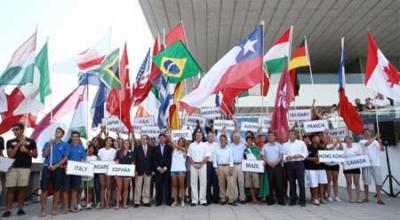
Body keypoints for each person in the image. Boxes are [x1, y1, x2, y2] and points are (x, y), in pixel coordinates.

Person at [3, 123, 37, 217]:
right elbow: (10, 155)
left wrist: (27, 151)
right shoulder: (10, 142)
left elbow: (35, 155)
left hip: (25, 168)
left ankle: (20, 209)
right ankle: (8, 210)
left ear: (22, 130)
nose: (14, 131)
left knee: (22, 188)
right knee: (10, 189)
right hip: (12, 168)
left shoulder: (31, 141)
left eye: (16, 129)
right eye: (13, 130)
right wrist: (18, 145)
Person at [39, 127, 68, 217]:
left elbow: (65, 158)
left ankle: (54, 209)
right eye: (56, 131)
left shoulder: (65, 145)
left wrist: (56, 166)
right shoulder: (47, 143)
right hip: (47, 167)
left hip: (58, 168)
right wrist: (49, 145)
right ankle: (43, 210)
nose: (57, 133)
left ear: (62, 135)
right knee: (44, 189)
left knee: (57, 189)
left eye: (59, 132)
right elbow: (44, 155)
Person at [283, 130, 308, 207]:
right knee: (292, 182)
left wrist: (300, 155)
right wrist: (287, 157)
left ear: (296, 135)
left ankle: (302, 200)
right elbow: (283, 155)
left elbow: (305, 153)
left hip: (299, 164)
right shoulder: (285, 144)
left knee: (301, 182)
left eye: (292, 134)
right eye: (290, 134)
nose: (291, 136)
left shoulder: (301, 143)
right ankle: (293, 199)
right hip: (290, 164)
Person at [359, 128, 385, 204]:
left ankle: (379, 199)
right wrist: (375, 137)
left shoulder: (376, 142)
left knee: (378, 181)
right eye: (365, 132)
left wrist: (380, 143)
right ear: (363, 134)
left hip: (376, 163)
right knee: (366, 181)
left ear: (370, 133)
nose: (367, 133)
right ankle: (366, 197)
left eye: (368, 132)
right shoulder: (362, 141)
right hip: (366, 164)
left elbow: (382, 149)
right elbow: (367, 144)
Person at [63, 131, 86, 213]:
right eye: (73, 136)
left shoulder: (82, 148)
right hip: (68, 170)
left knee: (75, 190)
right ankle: (66, 207)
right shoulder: (68, 146)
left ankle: (72, 207)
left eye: (76, 136)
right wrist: (65, 166)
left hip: (77, 171)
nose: (75, 138)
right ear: (71, 138)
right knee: (66, 189)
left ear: (78, 138)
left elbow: (83, 159)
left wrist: (82, 165)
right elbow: (65, 157)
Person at [187, 131, 210, 206]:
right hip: (193, 165)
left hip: (203, 165)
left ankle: (203, 200)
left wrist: (201, 164)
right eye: (197, 136)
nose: (198, 137)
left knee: (203, 182)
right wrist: (193, 164)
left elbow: (207, 157)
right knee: (193, 182)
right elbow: (189, 156)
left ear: (202, 137)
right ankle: (194, 200)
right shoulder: (191, 145)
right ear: (195, 137)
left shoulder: (205, 145)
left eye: (200, 136)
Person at [262, 132, 285, 205]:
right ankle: (270, 200)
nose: (270, 137)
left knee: (279, 184)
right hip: (269, 167)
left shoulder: (279, 145)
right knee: (269, 184)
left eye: (272, 136)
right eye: (269, 136)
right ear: (267, 138)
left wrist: (276, 162)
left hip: (277, 166)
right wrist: (268, 163)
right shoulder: (265, 146)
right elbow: (263, 156)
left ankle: (281, 200)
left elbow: (281, 155)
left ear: (274, 137)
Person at [305, 134, 328, 205]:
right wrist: (314, 159)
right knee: (314, 184)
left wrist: (320, 160)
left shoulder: (321, 148)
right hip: (312, 169)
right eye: (316, 138)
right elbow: (306, 157)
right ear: (312, 140)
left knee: (322, 183)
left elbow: (326, 156)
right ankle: (315, 198)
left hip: (322, 168)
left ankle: (321, 198)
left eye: (318, 138)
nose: (317, 139)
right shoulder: (308, 148)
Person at [133, 134, 155, 207]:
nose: (143, 140)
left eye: (144, 139)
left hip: (148, 170)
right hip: (139, 170)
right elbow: (134, 159)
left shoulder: (151, 148)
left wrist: (152, 170)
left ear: (147, 140)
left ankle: (146, 201)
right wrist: (135, 170)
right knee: (138, 186)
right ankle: (137, 202)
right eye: (142, 139)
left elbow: (152, 160)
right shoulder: (137, 148)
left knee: (147, 186)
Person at [213, 135, 235, 205]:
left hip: (228, 167)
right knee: (221, 183)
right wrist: (216, 168)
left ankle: (231, 199)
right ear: (220, 141)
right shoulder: (216, 149)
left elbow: (231, 158)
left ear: (226, 141)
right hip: (220, 167)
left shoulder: (229, 149)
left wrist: (231, 167)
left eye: (224, 140)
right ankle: (223, 198)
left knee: (231, 183)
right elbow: (214, 159)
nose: (222, 141)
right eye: (221, 140)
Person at [115, 139, 135, 209]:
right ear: (123, 144)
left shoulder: (131, 153)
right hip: (119, 173)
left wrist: (131, 174)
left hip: (127, 174)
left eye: (127, 143)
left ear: (129, 145)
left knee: (126, 189)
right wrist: (116, 174)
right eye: (125, 143)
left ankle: (124, 203)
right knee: (118, 188)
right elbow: (116, 162)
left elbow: (132, 164)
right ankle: (117, 204)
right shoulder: (118, 152)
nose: (126, 144)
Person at [97, 137, 117, 208]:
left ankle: (107, 203)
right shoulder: (100, 150)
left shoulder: (114, 151)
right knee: (102, 187)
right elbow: (99, 160)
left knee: (108, 187)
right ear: (105, 142)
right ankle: (102, 203)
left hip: (109, 171)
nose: (108, 142)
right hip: (101, 170)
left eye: (110, 141)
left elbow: (115, 160)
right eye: (107, 140)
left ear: (112, 142)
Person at [154, 133, 173, 206]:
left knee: (167, 186)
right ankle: (158, 201)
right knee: (158, 186)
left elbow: (169, 159)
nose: (161, 139)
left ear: (165, 139)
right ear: (159, 139)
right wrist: (158, 168)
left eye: (163, 138)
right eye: (160, 138)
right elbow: (154, 159)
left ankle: (168, 201)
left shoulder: (169, 148)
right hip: (158, 170)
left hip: (166, 170)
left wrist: (165, 168)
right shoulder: (156, 148)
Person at [342, 136, 362, 203]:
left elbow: (360, 157)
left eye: (349, 140)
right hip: (347, 168)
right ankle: (350, 198)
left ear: (351, 140)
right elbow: (342, 159)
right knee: (349, 183)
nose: (347, 141)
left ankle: (358, 198)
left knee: (357, 183)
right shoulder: (344, 149)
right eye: (346, 140)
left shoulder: (356, 148)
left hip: (356, 167)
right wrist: (343, 162)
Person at [243, 136, 261, 204]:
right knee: (249, 184)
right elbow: (244, 159)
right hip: (248, 169)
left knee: (256, 185)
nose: (249, 141)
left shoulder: (256, 149)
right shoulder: (245, 150)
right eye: (247, 140)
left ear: (252, 141)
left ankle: (255, 197)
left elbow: (259, 157)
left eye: (250, 140)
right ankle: (253, 198)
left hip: (255, 168)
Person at [170, 137, 187, 207]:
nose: (180, 142)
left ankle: (182, 200)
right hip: (173, 169)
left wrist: (171, 140)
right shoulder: (174, 149)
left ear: (183, 143)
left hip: (181, 170)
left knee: (182, 186)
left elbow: (177, 146)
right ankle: (175, 201)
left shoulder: (184, 149)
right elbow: (173, 145)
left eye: (182, 141)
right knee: (174, 186)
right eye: (179, 141)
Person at [230, 132, 246, 204]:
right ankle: (234, 198)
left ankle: (242, 198)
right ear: (233, 138)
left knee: (241, 182)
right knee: (233, 183)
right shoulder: (230, 146)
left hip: (241, 165)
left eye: (238, 137)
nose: (236, 139)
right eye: (235, 137)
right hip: (232, 165)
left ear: (240, 138)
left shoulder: (243, 146)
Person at [324, 135, 341, 202]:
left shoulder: (336, 145)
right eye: (327, 137)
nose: (329, 138)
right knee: (328, 181)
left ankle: (336, 195)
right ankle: (329, 196)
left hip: (335, 164)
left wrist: (339, 141)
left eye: (330, 137)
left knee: (335, 181)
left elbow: (341, 148)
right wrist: (334, 146)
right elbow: (326, 149)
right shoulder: (325, 145)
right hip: (327, 165)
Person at [81, 143, 98, 209]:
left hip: (91, 175)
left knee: (90, 189)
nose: (91, 150)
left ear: (94, 150)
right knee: (84, 189)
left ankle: (89, 203)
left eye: (92, 148)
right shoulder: (84, 156)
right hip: (83, 175)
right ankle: (85, 201)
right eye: (89, 148)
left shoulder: (95, 157)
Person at [205, 132, 219, 204]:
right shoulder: (204, 144)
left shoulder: (217, 145)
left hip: (215, 164)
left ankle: (216, 198)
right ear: (207, 137)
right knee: (208, 182)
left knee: (215, 182)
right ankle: (208, 198)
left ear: (214, 137)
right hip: (207, 164)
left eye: (212, 136)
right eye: (209, 136)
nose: (210, 137)